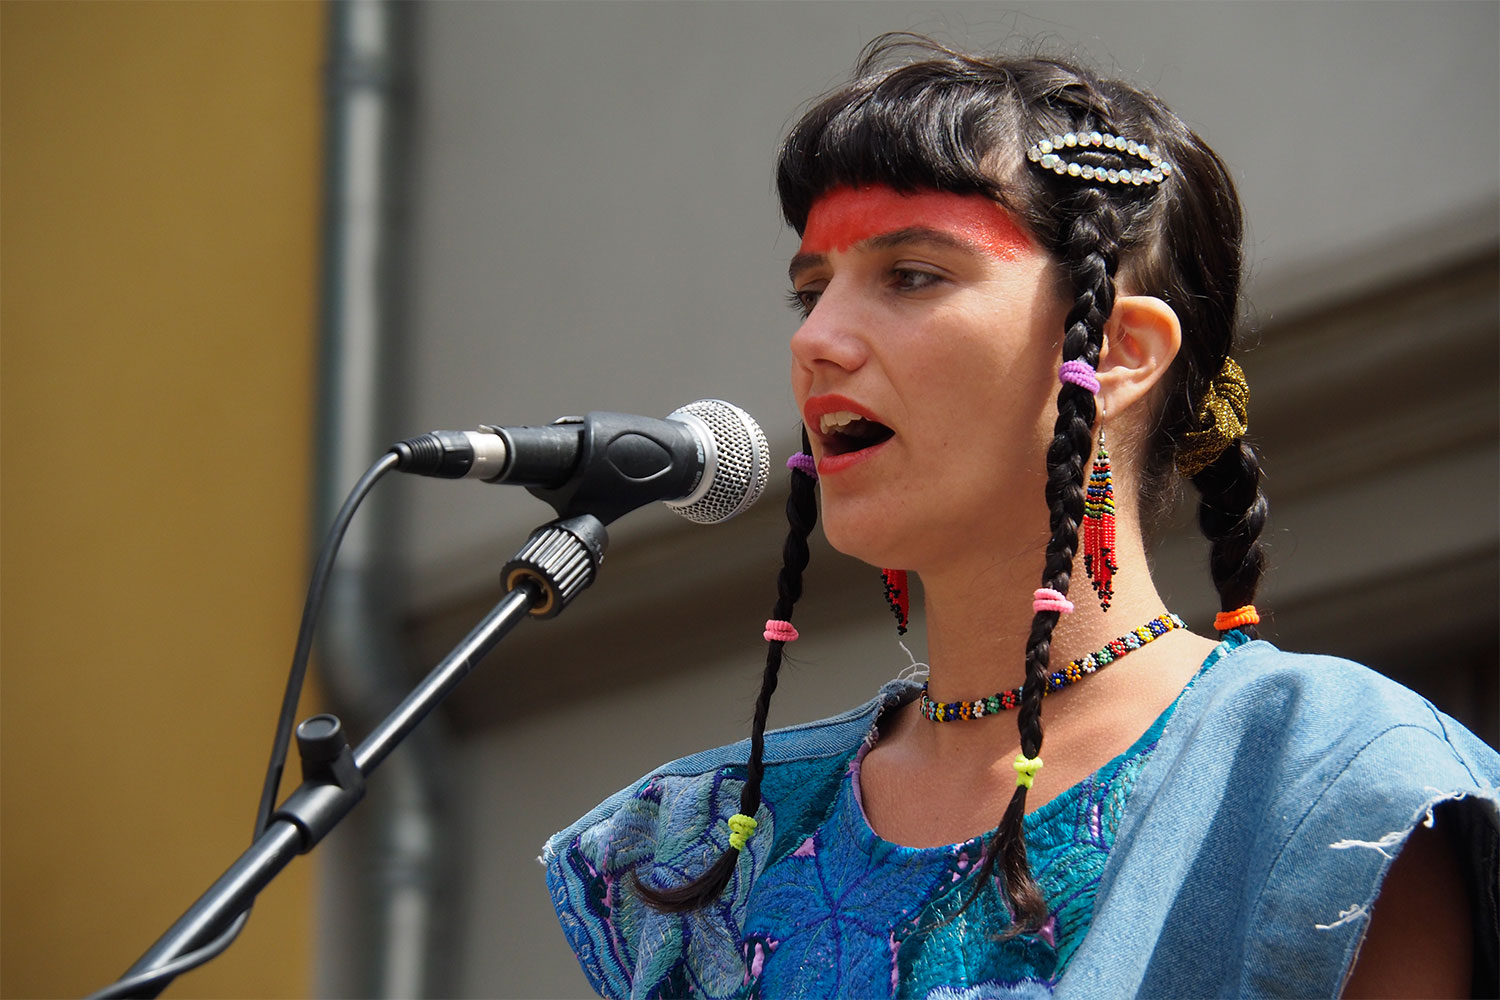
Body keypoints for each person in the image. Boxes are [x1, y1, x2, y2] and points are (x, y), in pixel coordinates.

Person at [542, 36, 1499, 998]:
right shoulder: (696, 849)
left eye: (912, 275)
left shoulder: (1336, 787)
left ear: (1121, 351)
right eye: (810, 291)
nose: (818, 342)